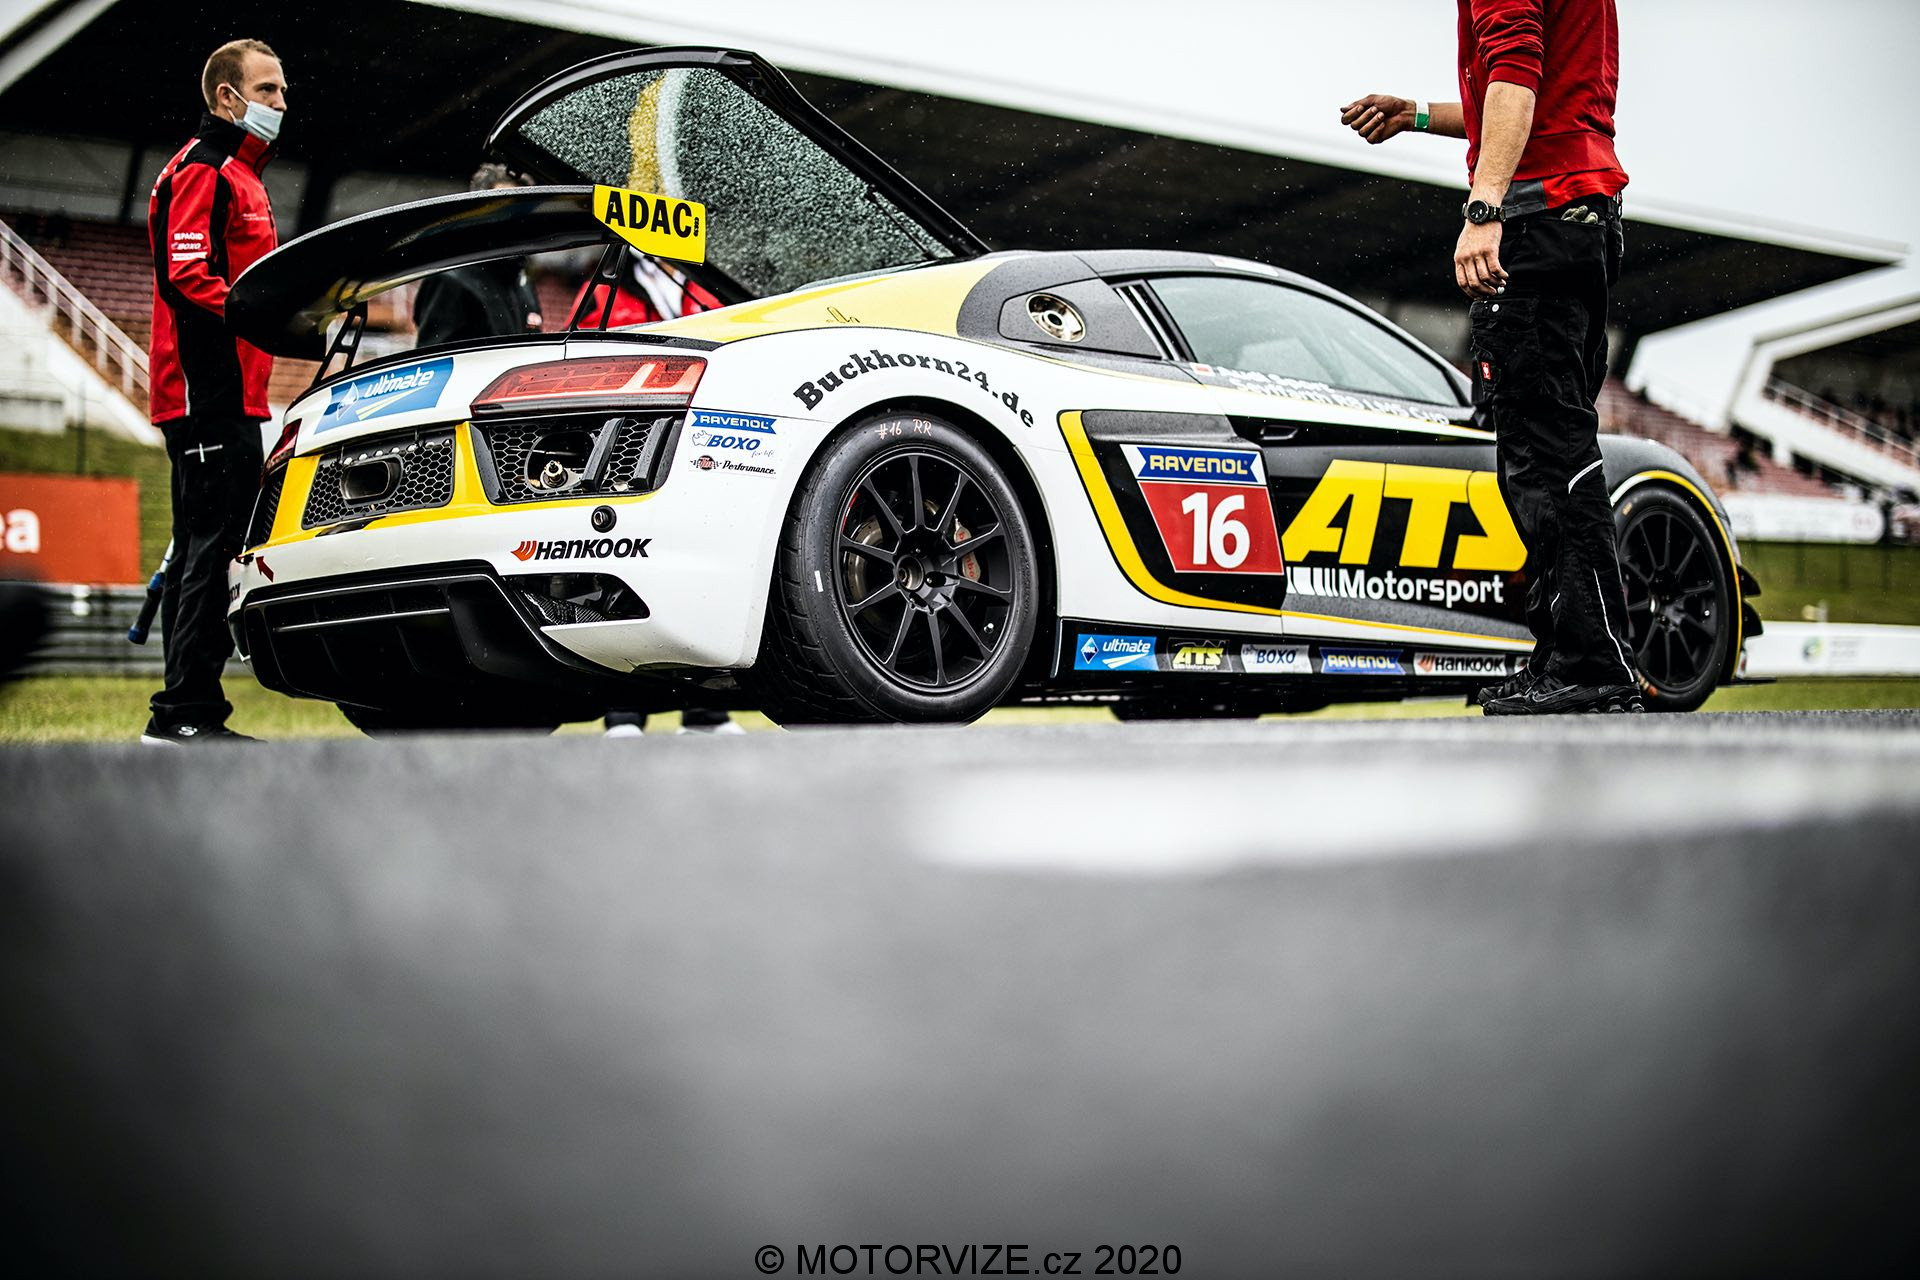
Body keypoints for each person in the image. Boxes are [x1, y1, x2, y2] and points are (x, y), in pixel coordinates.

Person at [1342, 0, 1642, 714]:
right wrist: (1416, 114)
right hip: (1580, 214)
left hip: (1536, 219)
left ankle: (1590, 662)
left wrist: (1485, 211)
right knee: (1553, 449)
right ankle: (1571, 656)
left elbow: (1515, 78)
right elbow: (1526, 95)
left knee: (1543, 457)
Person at [141, 39, 287, 745]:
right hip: (205, 395)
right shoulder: (202, 168)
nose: (281, 103)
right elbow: (187, 277)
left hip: (232, 396)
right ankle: (185, 716)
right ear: (227, 98)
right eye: (267, 90)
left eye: (282, 91)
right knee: (211, 548)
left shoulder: (243, 172)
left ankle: (185, 713)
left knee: (209, 546)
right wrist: (269, 317)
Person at [411, 164, 543, 348]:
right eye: (502, 208)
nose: (512, 219)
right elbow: (434, 361)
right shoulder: (450, 280)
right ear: (478, 214)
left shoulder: (523, 282)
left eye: (521, 210)